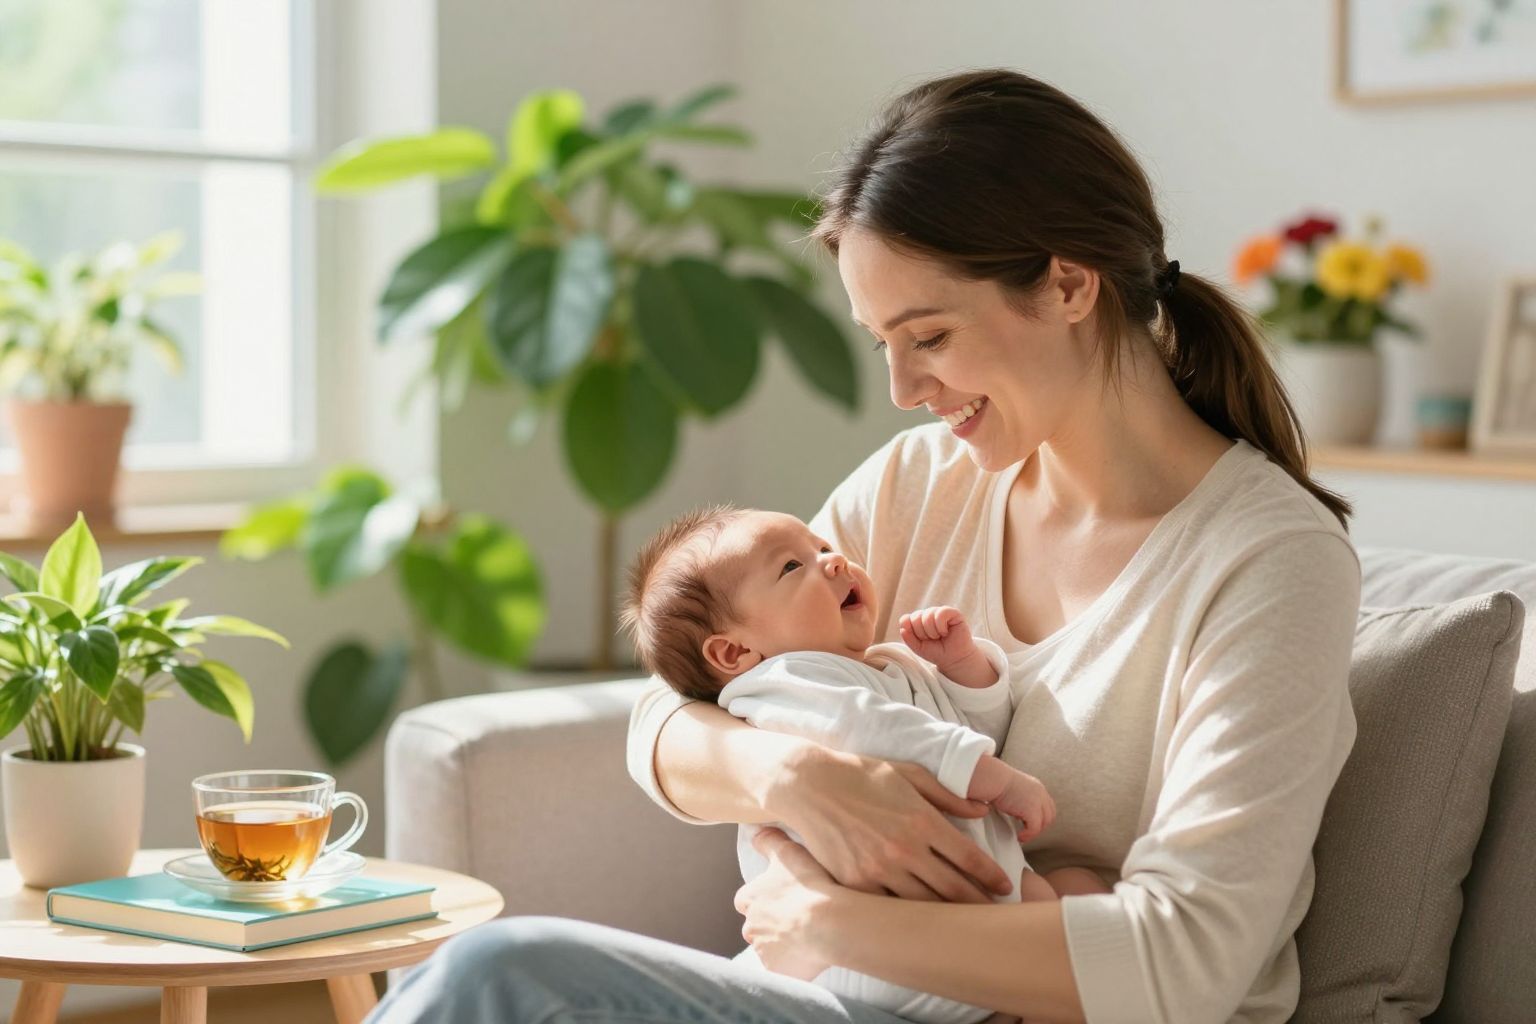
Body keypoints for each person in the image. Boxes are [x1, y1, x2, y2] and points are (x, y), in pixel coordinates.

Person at [366, 67, 1360, 1024]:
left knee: (510, 976)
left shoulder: (1269, 562)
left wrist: (825, 918)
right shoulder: (920, 482)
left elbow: (1180, 962)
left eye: (927, 337)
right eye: (882, 343)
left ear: (1067, 285)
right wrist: (796, 780)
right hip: (843, 995)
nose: (902, 390)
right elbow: (667, 717)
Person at [617, 502, 1109, 1023]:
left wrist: (965, 669)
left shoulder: (889, 666)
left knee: (1079, 890)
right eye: (791, 567)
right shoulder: (781, 684)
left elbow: (971, 737)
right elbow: (869, 728)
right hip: (871, 939)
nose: (832, 563)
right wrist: (995, 778)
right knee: (1052, 937)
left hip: (957, 906)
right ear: (734, 655)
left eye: (824, 548)